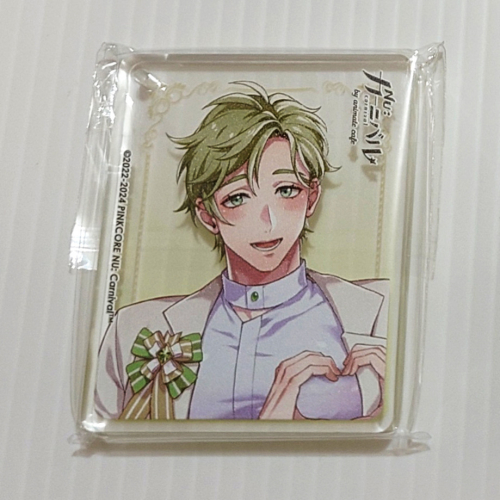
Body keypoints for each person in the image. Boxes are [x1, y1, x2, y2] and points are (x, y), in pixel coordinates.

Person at [94, 82, 388, 421]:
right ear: (207, 214)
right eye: (237, 198)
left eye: (287, 190)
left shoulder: (379, 309)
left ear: (312, 197)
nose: (268, 221)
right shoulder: (134, 328)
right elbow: (103, 439)